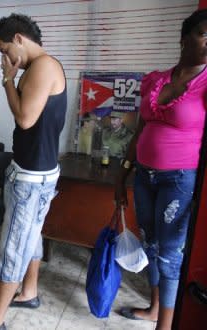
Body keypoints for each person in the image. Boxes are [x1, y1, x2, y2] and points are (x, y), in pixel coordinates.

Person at [0, 13, 67, 330]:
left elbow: (25, 120)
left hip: (33, 176)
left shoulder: (43, 66)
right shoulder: (39, 67)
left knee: (15, 246)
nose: (6, 58)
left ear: (19, 38)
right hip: (36, 171)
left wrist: (7, 80)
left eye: (5, 49)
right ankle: (29, 292)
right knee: (30, 238)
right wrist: (12, 79)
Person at [115, 9, 207, 330]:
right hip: (143, 175)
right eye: (204, 34)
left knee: (170, 254)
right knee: (149, 242)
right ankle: (155, 307)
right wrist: (122, 173)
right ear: (185, 39)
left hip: (179, 179)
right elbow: (140, 129)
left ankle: (164, 327)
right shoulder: (156, 80)